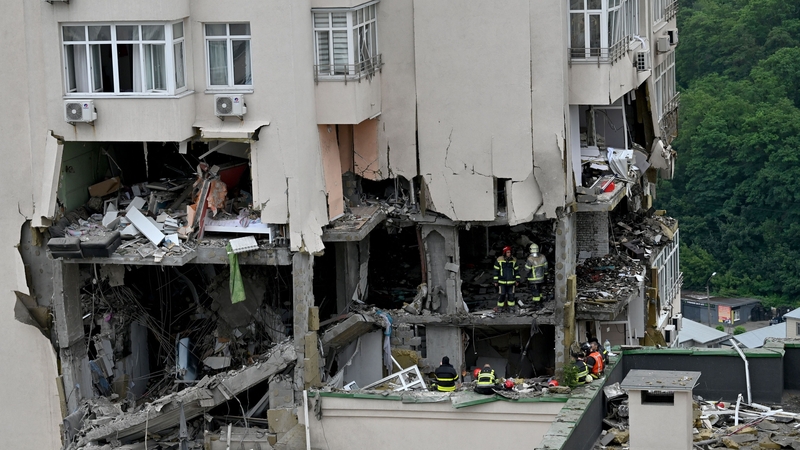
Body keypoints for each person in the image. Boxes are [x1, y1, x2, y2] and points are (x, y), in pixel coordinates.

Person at [493, 246, 519, 312]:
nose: (509, 254)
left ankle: (511, 308)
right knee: (502, 295)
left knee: (511, 295)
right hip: (502, 282)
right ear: (504, 253)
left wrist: (517, 280)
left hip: (511, 282)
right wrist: (495, 281)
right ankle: (500, 308)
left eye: (510, 252)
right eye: (507, 252)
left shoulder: (514, 260)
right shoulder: (499, 260)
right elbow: (496, 271)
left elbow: (517, 271)